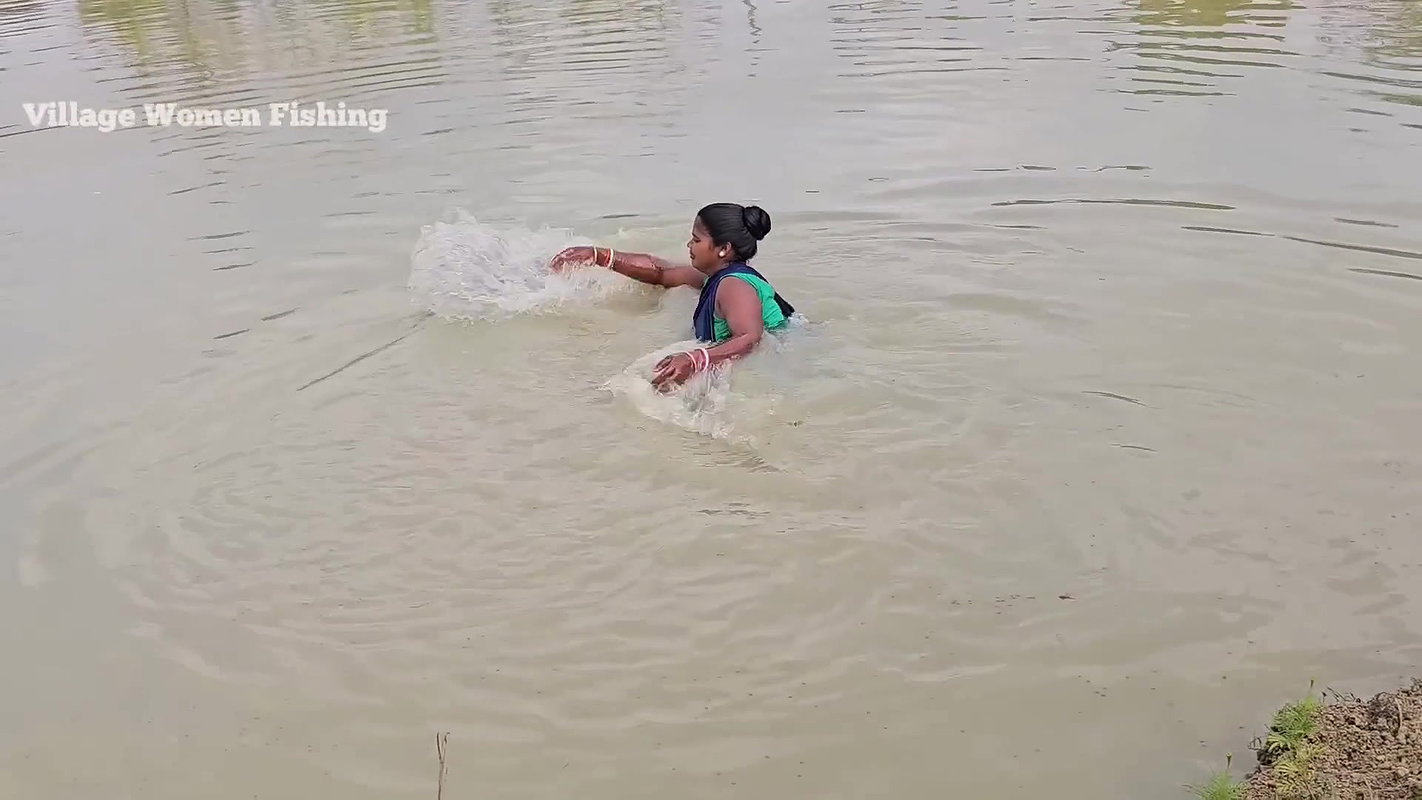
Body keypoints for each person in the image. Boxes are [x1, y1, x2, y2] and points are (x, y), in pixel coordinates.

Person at [550, 202, 795, 391]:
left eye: (696, 239)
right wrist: (600, 256)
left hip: (782, 360)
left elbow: (750, 336)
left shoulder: (734, 285)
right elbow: (661, 273)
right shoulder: (715, 277)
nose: (689, 245)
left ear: (724, 249)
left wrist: (695, 360)